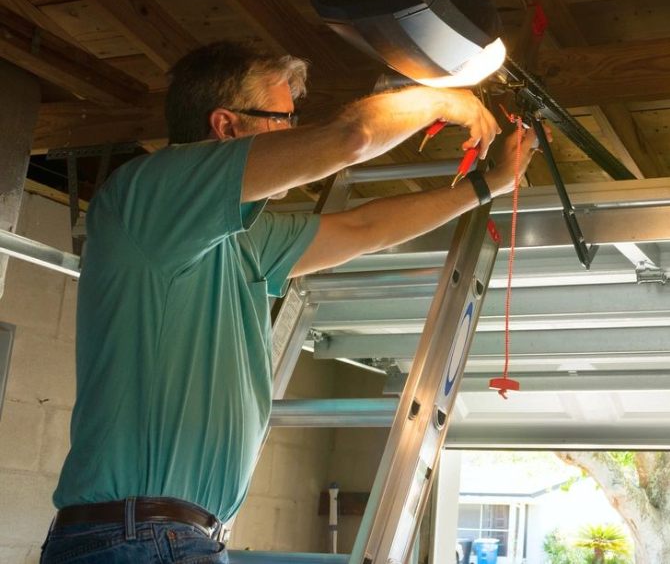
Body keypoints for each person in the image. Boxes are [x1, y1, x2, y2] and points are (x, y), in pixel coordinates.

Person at [41, 40, 540, 563]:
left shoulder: (242, 239)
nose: (292, 132)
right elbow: (351, 137)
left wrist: (485, 186)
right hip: (139, 535)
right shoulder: (149, 196)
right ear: (227, 126)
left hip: (165, 536)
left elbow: (362, 227)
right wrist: (444, 100)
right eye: (282, 118)